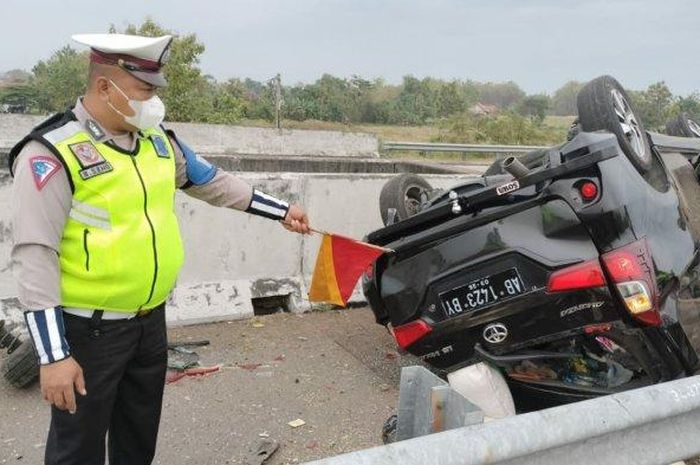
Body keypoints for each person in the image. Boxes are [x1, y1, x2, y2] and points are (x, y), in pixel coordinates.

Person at [9, 33, 310, 465]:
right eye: (144, 91)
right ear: (105, 88)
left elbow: (213, 183)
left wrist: (281, 211)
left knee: (137, 441)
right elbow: (34, 255)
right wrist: (54, 355)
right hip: (87, 333)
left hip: (149, 325)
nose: (153, 102)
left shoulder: (157, 142)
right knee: (78, 450)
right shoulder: (53, 152)